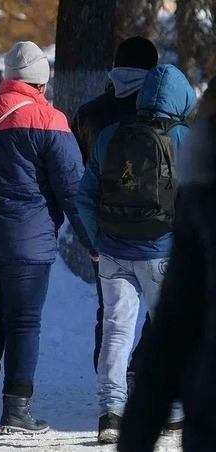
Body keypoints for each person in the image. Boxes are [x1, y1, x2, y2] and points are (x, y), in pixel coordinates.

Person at [0, 40, 93, 434]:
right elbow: (72, 191)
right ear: (41, 83)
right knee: (23, 322)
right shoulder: (51, 120)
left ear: (7, 78)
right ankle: (16, 409)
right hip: (27, 241)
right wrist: (92, 243)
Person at [74, 63, 196, 444]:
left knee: (116, 330)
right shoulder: (184, 139)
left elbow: (84, 196)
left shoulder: (111, 134)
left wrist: (97, 239)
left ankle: (110, 413)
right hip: (162, 252)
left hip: (113, 250)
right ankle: (174, 412)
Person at [117, 75, 216, 452]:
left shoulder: (204, 183)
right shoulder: (183, 141)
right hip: (155, 245)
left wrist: (137, 434)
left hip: (209, 413)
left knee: (116, 328)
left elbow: (176, 327)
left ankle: (111, 403)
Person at [70, 37, 159, 379]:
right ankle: (140, 367)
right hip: (156, 228)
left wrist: (90, 234)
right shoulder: (159, 113)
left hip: (105, 228)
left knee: (110, 312)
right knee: (162, 307)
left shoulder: (89, 113)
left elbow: (76, 174)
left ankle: (110, 385)